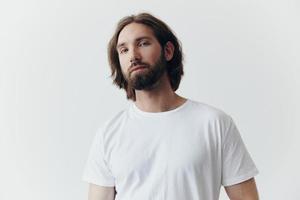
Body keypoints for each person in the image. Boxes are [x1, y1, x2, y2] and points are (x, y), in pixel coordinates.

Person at [82, 12, 259, 200]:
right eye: (124, 50)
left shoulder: (214, 123)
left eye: (143, 43)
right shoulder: (108, 134)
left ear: (168, 51)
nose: (133, 55)